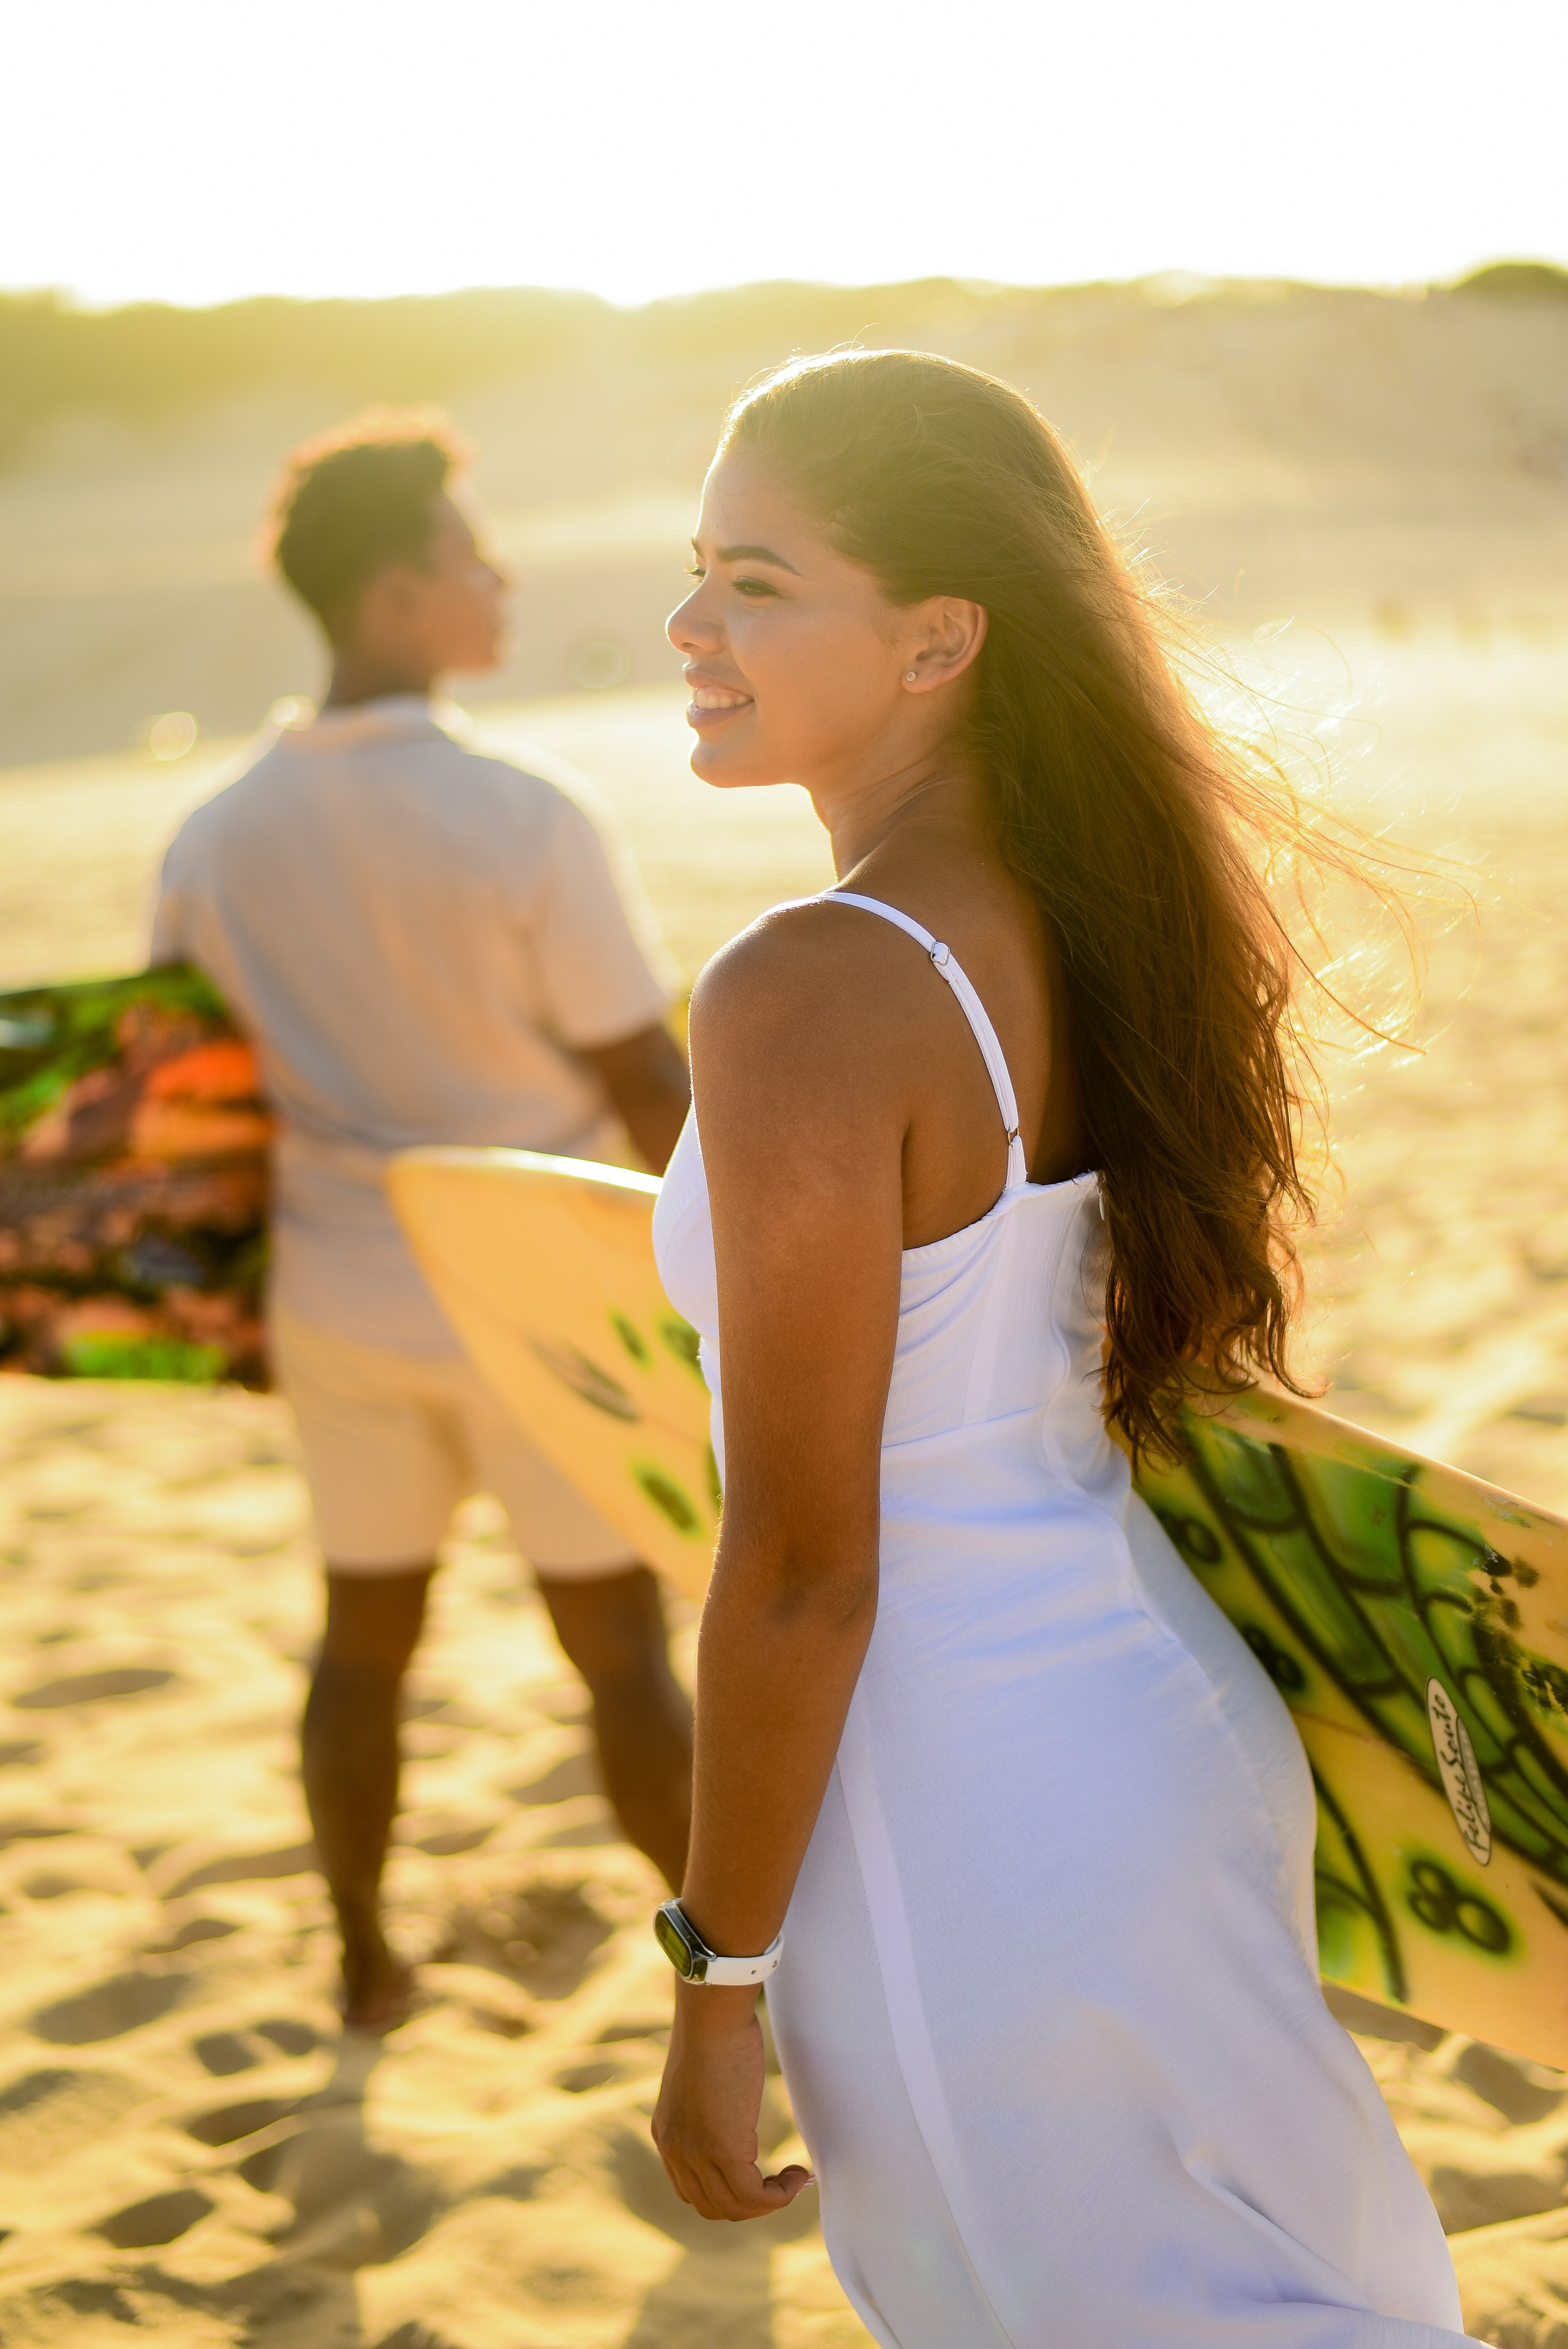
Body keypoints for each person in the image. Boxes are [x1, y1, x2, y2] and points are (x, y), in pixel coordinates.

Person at [647, 351, 1479, 2345]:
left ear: (939, 637)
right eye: (697, 569)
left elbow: (801, 1568)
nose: (686, 625)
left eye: (757, 580)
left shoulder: (815, 986)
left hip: (962, 1799)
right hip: (1161, 1734)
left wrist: (714, 1974)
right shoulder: (1090, 917)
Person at [151, 412, 694, 2030]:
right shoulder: (524, 812)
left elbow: (186, 1117)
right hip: (531, 1281)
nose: (499, 576)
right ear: (394, 597)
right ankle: (715, 1976)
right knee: (616, 1646)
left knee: (362, 1634)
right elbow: (648, 1078)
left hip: (335, 1287)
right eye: (470, 555)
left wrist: (230, 1319)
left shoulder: (215, 835)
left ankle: (365, 1960)